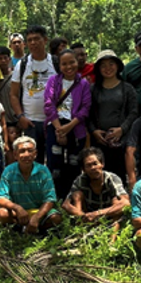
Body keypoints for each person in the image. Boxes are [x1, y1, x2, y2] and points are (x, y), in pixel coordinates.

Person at [44, 50, 91, 198]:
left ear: (77, 63)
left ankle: (72, 198)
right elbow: (48, 105)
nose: (68, 66)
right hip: (56, 126)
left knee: (74, 163)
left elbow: (85, 108)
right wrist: (59, 129)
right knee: (55, 164)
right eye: (64, 63)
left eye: (72, 62)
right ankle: (55, 198)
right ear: (59, 65)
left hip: (75, 128)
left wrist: (68, 128)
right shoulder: (53, 81)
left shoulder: (83, 84)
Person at [88, 50, 139, 177]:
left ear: (117, 66)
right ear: (98, 69)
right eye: (103, 65)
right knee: (98, 173)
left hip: (120, 141)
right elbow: (86, 113)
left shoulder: (127, 88)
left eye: (111, 64)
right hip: (99, 140)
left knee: (119, 174)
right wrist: (94, 131)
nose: (108, 68)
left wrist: (122, 129)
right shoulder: (93, 89)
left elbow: (133, 112)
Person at [0, 136, 61, 234]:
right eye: (22, 151)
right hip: (18, 213)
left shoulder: (43, 171)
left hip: (38, 211)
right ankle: (21, 230)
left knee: (56, 218)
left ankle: (35, 229)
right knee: (2, 214)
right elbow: (1, 198)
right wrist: (17, 208)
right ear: (15, 155)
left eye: (30, 151)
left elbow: (50, 199)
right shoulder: (8, 171)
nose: (26, 155)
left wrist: (37, 217)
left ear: (35, 154)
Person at [10, 25, 58, 147]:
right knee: (33, 160)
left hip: (54, 121)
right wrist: (20, 117)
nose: (33, 43)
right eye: (30, 40)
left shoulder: (56, 62)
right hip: (30, 122)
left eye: (37, 39)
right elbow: (13, 94)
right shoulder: (22, 64)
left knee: (54, 161)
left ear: (45, 40)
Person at [61, 148, 129, 225]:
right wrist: (82, 216)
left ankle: (112, 236)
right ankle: (80, 229)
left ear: (102, 164)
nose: (93, 168)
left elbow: (126, 203)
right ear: (84, 169)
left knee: (117, 201)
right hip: (87, 215)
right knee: (77, 195)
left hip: (108, 214)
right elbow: (66, 204)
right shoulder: (80, 180)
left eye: (95, 164)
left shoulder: (112, 178)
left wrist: (97, 214)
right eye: (88, 165)